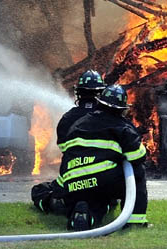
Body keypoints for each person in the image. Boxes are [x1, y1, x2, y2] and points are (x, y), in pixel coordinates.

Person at [55, 84, 148, 230]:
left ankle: (84, 216)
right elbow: (138, 157)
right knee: (137, 172)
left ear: (100, 102)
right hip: (103, 180)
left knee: (97, 204)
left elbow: (65, 151)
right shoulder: (122, 127)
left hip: (72, 182)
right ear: (122, 109)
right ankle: (135, 220)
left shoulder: (79, 123)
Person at [31, 69, 106, 214]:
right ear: (100, 92)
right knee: (107, 198)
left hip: (72, 178)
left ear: (79, 92)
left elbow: (64, 148)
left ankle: (56, 203)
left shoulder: (68, 118)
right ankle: (97, 207)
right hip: (101, 179)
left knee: (39, 191)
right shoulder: (109, 119)